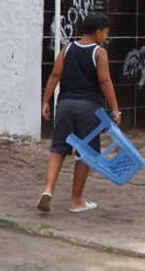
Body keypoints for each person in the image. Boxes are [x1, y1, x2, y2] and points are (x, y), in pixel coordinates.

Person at [38, 13, 120, 214]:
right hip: (89, 108)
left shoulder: (67, 49)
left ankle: (48, 191)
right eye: (106, 33)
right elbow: (105, 81)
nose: (106, 38)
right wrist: (116, 109)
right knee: (86, 153)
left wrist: (45, 101)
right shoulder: (99, 52)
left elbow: (55, 75)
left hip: (65, 105)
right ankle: (76, 201)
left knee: (58, 148)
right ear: (98, 32)